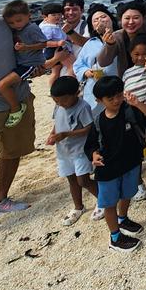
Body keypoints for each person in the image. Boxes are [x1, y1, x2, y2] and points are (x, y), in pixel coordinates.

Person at [0, 0, 35, 216]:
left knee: (13, 152)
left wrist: (38, 65)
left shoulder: (5, 24)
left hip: (19, 99)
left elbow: (30, 45)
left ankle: (0, 200)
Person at [83, 76, 146, 252]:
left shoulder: (130, 111)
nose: (116, 101)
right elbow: (90, 145)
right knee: (109, 203)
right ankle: (115, 237)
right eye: (110, 98)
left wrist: (138, 104)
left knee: (127, 194)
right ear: (99, 100)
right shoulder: (98, 122)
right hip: (108, 170)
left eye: (119, 95)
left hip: (130, 163)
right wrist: (94, 155)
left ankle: (123, 219)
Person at [45, 76, 102, 225]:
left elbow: (88, 128)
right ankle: (78, 207)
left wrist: (66, 134)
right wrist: (53, 134)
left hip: (80, 150)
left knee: (83, 180)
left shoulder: (83, 107)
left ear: (76, 93)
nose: (60, 104)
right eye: (56, 101)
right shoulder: (58, 106)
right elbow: (57, 122)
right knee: (71, 179)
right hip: (63, 151)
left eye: (63, 100)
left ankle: (102, 201)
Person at [0, 0, 59, 127]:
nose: (15, 25)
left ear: (29, 16)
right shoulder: (17, 29)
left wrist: (26, 47)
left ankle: (16, 109)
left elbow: (43, 43)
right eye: (11, 23)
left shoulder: (32, 28)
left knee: (2, 86)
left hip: (30, 64)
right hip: (23, 63)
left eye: (18, 21)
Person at [98, 0, 146, 94]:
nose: (131, 22)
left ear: (143, 18)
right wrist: (110, 45)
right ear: (120, 20)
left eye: (136, 18)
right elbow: (103, 62)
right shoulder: (117, 37)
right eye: (127, 18)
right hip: (129, 90)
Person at [73, 5, 119, 113]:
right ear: (92, 27)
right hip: (95, 85)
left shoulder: (122, 36)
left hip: (119, 84)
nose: (100, 21)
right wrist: (86, 72)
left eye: (103, 17)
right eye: (95, 20)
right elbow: (78, 65)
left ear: (111, 20)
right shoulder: (90, 43)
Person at [39, 2, 74, 84]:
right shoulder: (47, 27)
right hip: (53, 50)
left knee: (56, 71)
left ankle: (53, 89)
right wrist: (57, 44)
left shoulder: (53, 24)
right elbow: (44, 43)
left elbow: (62, 34)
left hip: (57, 47)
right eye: (53, 15)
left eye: (59, 14)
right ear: (45, 17)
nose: (57, 17)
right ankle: (71, 84)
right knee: (71, 65)